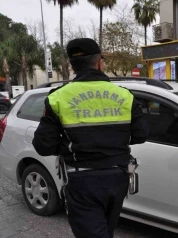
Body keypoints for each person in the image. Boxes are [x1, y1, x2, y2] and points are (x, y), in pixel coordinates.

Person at [32, 38, 149, 238]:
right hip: (118, 177)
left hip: (81, 180)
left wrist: (71, 144)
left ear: (72, 66)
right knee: (106, 230)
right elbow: (141, 135)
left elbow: (43, 146)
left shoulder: (58, 97)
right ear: (99, 63)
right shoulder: (125, 96)